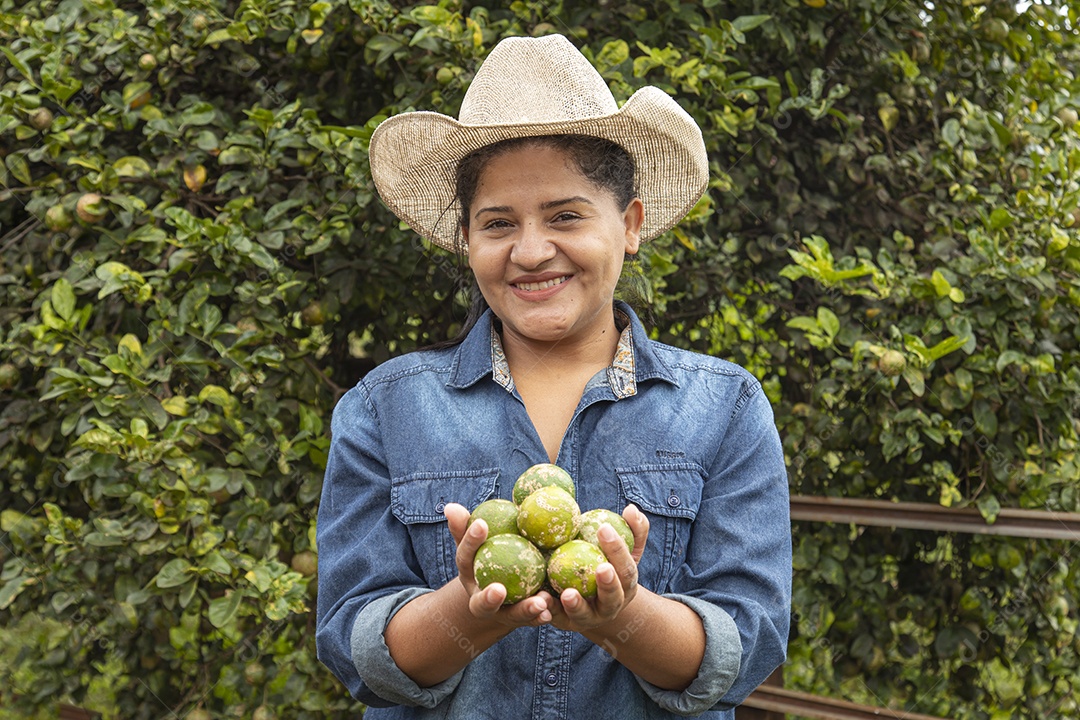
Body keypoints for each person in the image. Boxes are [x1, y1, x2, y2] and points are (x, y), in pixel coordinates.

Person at [315, 33, 791, 719]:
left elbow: (744, 646)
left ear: (629, 225)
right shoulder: (384, 410)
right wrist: (473, 611)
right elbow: (356, 648)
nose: (532, 252)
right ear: (468, 240)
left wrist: (620, 619)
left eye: (566, 216)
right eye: (498, 223)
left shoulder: (726, 409)